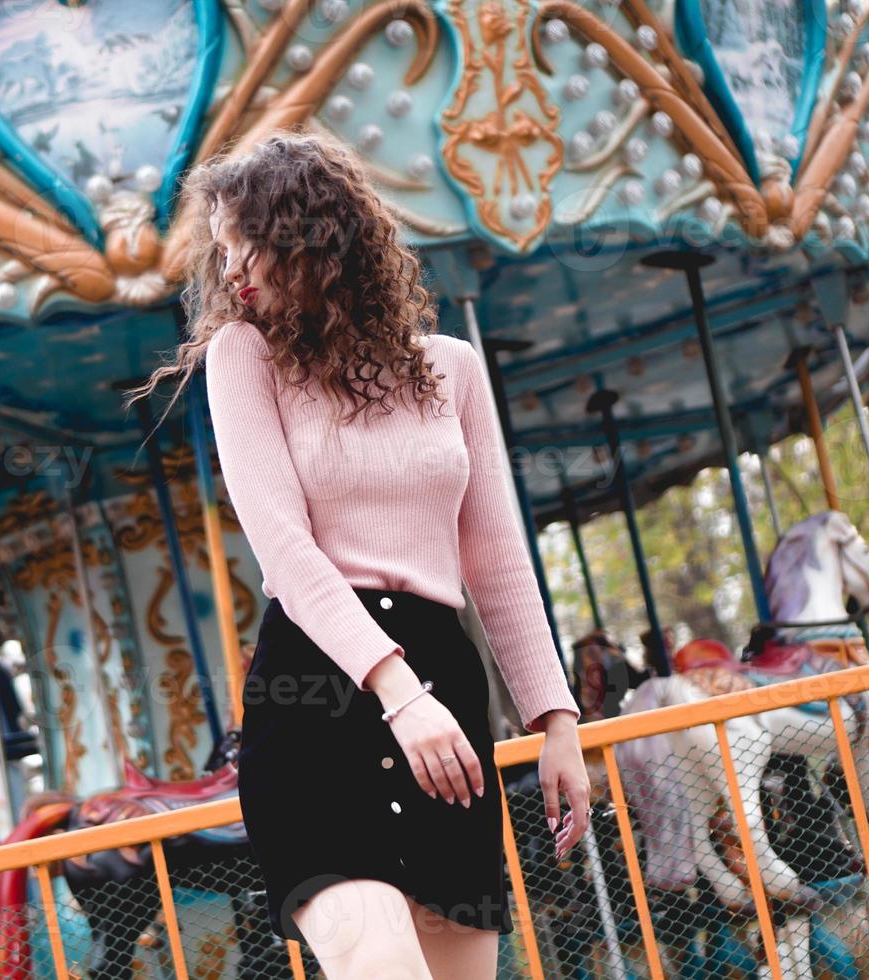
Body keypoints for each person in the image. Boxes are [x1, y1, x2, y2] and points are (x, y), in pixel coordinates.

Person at [124, 133, 586, 978]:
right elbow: (285, 547)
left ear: (311, 238)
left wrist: (555, 722)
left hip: (447, 696)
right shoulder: (245, 357)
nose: (232, 275)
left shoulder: (455, 371)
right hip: (319, 698)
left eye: (247, 248)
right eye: (221, 253)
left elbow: (496, 559)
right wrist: (398, 693)